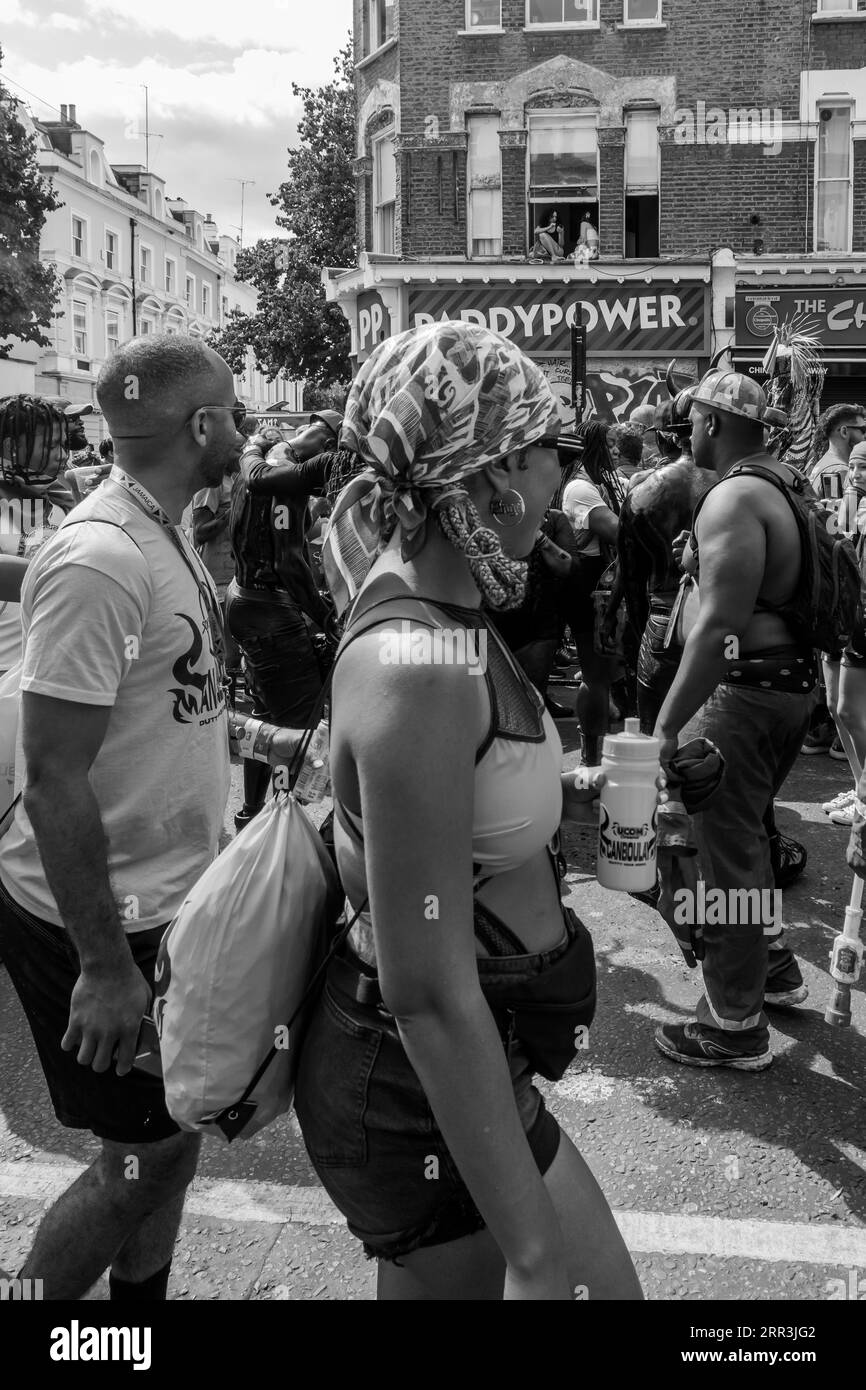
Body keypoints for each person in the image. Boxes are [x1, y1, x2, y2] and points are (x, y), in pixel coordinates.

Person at [297, 320, 653, 1301]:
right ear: (493, 471)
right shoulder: (418, 662)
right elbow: (422, 986)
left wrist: (587, 804)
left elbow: (452, 815)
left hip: (436, 1072)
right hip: (421, 1081)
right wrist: (534, 1254)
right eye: (552, 454)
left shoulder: (443, 609)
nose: (561, 484)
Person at [0, 334, 246, 1301]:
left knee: (167, 1139)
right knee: (140, 1163)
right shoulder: (105, 557)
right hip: (100, 922)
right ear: (198, 425)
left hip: (168, 905)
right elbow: (53, 778)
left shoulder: (167, 526)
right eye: (231, 409)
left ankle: (139, 1321)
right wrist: (105, 969)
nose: (243, 424)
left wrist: (261, 742)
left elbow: (167, 700)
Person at [653, 369, 819, 1071]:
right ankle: (774, 967)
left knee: (721, 862)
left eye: (692, 419)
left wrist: (666, 726)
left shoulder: (733, 497)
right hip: (786, 691)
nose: (688, 431)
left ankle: (734, 1023)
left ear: (714, 423)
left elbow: (720, 626)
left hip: (742, 697)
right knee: (746, 834)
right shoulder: (789, 484)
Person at [225, 411, 343, 829]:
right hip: (270, 612)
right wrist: (329, 618)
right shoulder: (286, 475)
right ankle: (276, 829)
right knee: (295, 733)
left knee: (266, 720)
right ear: (328, 446)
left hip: (246, 600)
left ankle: (250, 814)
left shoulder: (264, 457)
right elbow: (290, 563)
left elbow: (278, 539)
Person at [558, 422, 625, 765]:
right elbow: (617, 530)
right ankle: (590, 761)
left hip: (603, 590)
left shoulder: (599, 484)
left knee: (605, 676)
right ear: (590, 447)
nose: (615, 452)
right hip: (588, 591)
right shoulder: (580, 488)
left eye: (616, 445)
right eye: (609, 445)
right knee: (596, 676)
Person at [0, 395, 76, 675]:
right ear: (12, 448)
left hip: (49, 673)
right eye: (51, 445)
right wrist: (69, 578)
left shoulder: (64, 503)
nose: (63, 455)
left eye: (63, 445)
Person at [491, 506, 578, 716]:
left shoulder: (554, 519)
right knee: (489, 705)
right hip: (489, 624)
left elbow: (568, 568)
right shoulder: (486, 515)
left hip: (537, 625)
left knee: (530, 706)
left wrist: (534, 532)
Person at [822, 441, 866, 827]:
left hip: (861, 621)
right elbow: (836, 538)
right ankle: (858, 784)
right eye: (854, 467)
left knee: (851, 709)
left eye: (865, 467)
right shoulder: (850, 502)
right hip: (841, 617)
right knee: (837, 707)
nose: (857, 475)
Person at [192, 458, 242, 691]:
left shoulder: (236, 479)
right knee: (228, 649)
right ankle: (226, 705)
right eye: (236, 449)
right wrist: (236, 510)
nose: (242, 453)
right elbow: (200, 532)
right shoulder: (212, 485)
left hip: (238, 573)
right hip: (218, 578)